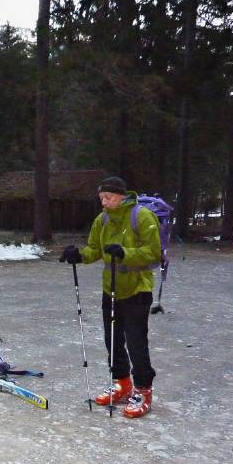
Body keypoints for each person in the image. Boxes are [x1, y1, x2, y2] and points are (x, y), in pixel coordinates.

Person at [60, 176, 161, 418]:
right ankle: (122, 383)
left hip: (137, 288)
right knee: (112, 340)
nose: (104, 202)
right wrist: (78, 255)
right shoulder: (102, 220)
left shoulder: (141, 216)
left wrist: (125, 253)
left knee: (136, 342)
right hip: (111, 289)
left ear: (121, 195)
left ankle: (143, 390)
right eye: (101, 198)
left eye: (108, 197)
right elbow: (95, 249)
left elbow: (153, 253)